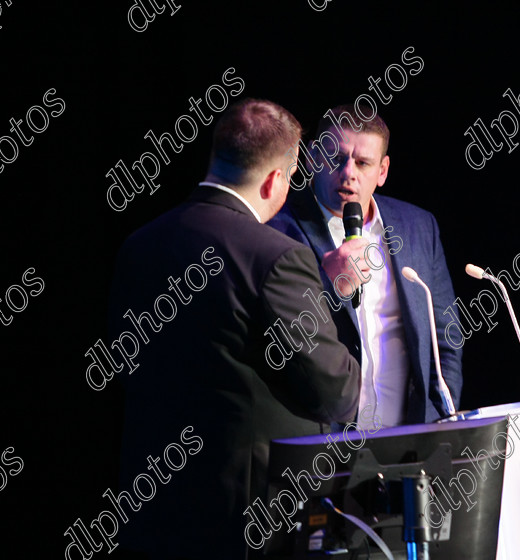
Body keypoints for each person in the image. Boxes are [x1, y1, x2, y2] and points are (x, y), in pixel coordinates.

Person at [109, 99, 360, 560]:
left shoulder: (138, 245)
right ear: (274, 180)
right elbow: (336, 390)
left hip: (152, 511)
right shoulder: (275, 257)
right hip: (247, 520)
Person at [267, 105, 462, 428]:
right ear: (313, 157)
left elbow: (445, 338)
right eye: (336, 158)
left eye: (363, 163)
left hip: (408, 438)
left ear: (382, 171)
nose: (348, 173)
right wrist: (327, 284)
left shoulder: (418, 227)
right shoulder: (276, 229)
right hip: (321, 443)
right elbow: (278, 341)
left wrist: (436, 422)